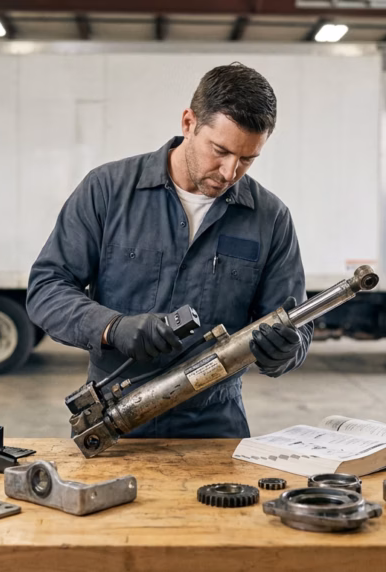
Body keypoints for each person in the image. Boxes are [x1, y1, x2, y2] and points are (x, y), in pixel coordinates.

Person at [27, 62, 313, 439]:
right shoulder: (108, 191)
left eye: (247, 159)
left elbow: (296, 328)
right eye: (220, 151)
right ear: (188, 122)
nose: (230, 172)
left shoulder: (270, 218)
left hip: (214, 426)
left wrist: (286, 350)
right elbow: (47, 289)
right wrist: (114, 328)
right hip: (113, 420)